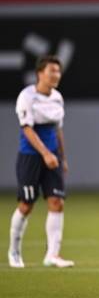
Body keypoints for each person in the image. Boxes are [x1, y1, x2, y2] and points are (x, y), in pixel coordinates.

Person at [8, 55, 74, 269]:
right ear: (40, 74)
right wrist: (45, 153)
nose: (55, 75)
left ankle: (52, 255)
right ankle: (14, 251)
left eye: (58, 71)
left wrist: (62, 157)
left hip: (52, 157)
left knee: (57, 202)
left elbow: (57, 129)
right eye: (51, 71)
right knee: (26, 205)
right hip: (31, 157)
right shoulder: (27, 96)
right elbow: (27, 129)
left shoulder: (57, 97)